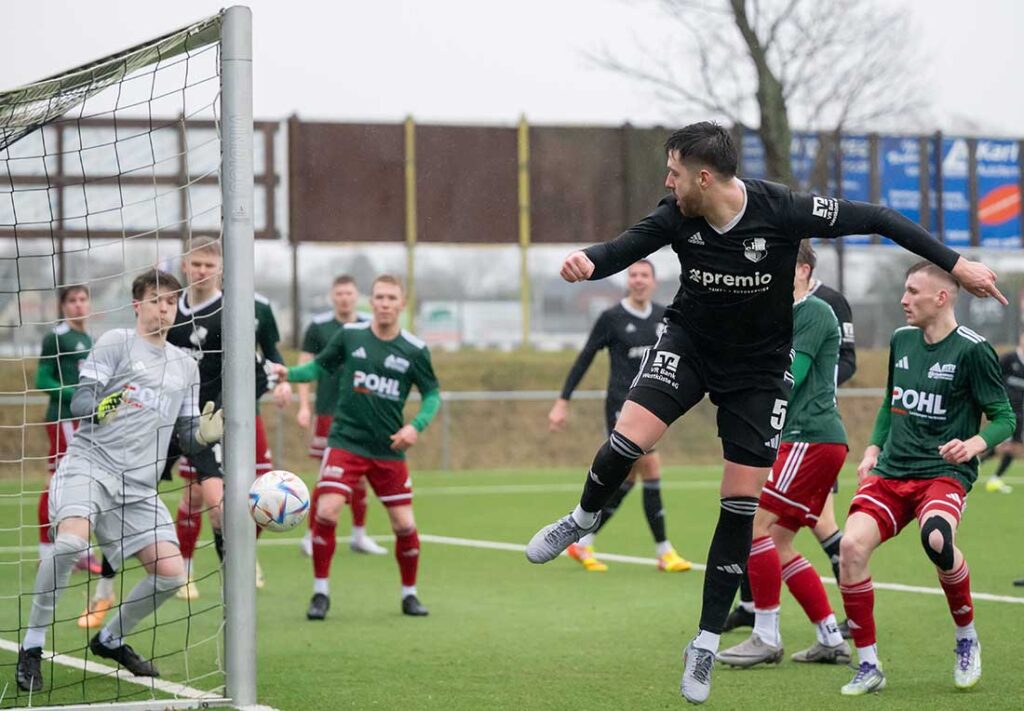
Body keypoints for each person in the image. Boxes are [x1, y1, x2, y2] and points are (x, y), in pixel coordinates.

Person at [521, 122, 1005, 705]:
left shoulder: (783, 209)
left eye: (674, 172)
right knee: (630, 438)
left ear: (704, 176)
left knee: (740, 507)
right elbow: (622, 248)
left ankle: (703, 643)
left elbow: (877, 217)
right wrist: (585, 261)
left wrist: (960, 264)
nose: (667, 182)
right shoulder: (678, 213)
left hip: (757, 371)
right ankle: (582, 517)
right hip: (690, 345)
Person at [15, 269, 223, 692]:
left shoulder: (185, 364)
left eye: (169, 301)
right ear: (137, 304)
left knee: (169, 573)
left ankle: (110, 638)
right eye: (154, 300)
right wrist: (101, 406)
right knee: (72, 544)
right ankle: (32, 646)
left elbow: (184, 433)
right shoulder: (115, 343)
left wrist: (201, 437)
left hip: (138, 487)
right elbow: (80, 400)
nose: (162, 308)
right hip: (90, 466)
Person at [838, 262, 1014, 696]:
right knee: (849, 547)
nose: (903, 299)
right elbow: (889, 404)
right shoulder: (901, 341)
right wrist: (873, 448)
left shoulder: (973, 350)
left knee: (937, 539)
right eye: (904, 290)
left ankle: (966, 636)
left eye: (913, 291)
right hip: (893, 471)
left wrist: (975, 444)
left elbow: (1006, 417)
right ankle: (868, 663)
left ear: (942, 298)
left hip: (943, 474)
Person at [271, 274, 441, 619]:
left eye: (391, 298)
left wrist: (415, 426)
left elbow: (432, 395)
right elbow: (319, 367)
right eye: (378, 297)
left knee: (404, 525)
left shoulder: (414, 349)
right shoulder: (349, 337)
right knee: (326, 510)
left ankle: (410, 594)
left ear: (402, 304)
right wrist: (288, 373)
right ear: (371, 301)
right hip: (346, 441)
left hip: (389, 449)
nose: (384, 304)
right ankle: (320, 593)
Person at [717, 241, 850, 668]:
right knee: (779, 541)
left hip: (808, 436)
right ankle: (830, 636)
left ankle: (765, 634)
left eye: (785, 264)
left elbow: (790, 377)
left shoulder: (811, 311)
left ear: (805, 270)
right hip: (809, 439)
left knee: (753, 526)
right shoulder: (784, 315)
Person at [164, 235, 290, 599]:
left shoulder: (251, 308)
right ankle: (184, 569)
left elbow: (271, 354)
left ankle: (244, 557)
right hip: (193, 420)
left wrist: (283, 382)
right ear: (185, 265)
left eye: (209, 264)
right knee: (195, 497)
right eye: (196, 263)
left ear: (221, 267)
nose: (202, 271)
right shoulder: (171, 310)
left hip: (243, 417)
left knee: (262, 495)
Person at [548, 259, 691, 572]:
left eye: (644, 275)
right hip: (621, 407)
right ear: (628, 281)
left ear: (654, 281)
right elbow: (584, 358)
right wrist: (563, 401)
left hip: (651, 405)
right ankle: (664, 551)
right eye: (634, 275)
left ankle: (582, 543)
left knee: (626, 480)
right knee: (651, 468)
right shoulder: (611, 318)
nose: (638, 280)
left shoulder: (662, 317)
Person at [296, 275, 384, 557]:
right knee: (328, 475)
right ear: (332, 296)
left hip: (363, 413)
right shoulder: (318, 327)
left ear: (356, 296)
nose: (344, 298)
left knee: (360, 478)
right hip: (329, 411)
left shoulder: (369, 326)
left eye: (349, 293)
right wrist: (304, 406)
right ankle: (311, 536)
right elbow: (305, 366)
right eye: (339, 293)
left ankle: (359, 535)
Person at [981, 331, 1024, 494]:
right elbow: (993, 376)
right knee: (1008, 446)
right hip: (1006, 411)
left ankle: (979, 466)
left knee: (1008, 446)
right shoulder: (1009, 359)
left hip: (1020, 412)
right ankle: (995, 478)